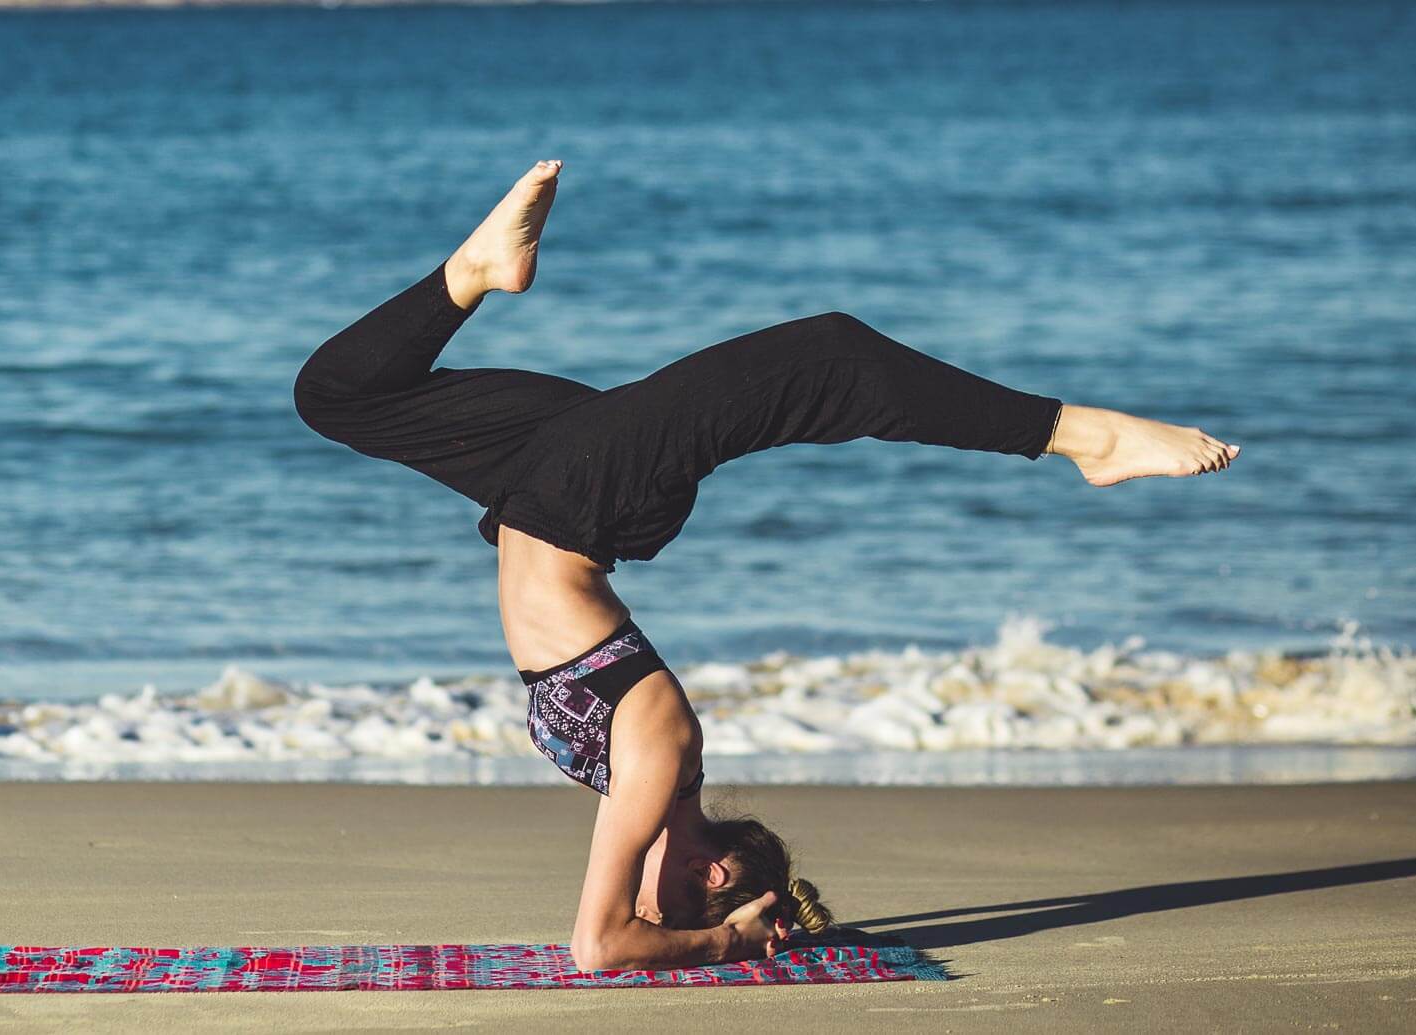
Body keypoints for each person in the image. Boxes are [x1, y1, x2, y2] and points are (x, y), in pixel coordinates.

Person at [293, 161, 1237, 972]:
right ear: (712, 870)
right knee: (831, 352)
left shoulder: (635, 788)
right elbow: (601, 944)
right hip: (585, 498)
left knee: (337, 395)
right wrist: (727, 939)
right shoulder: (660, 754)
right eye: (664, 904)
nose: (642, 905)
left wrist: (740, 927)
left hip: (541, 484)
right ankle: (1085, 438)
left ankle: (473, 272)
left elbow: (607, 937)